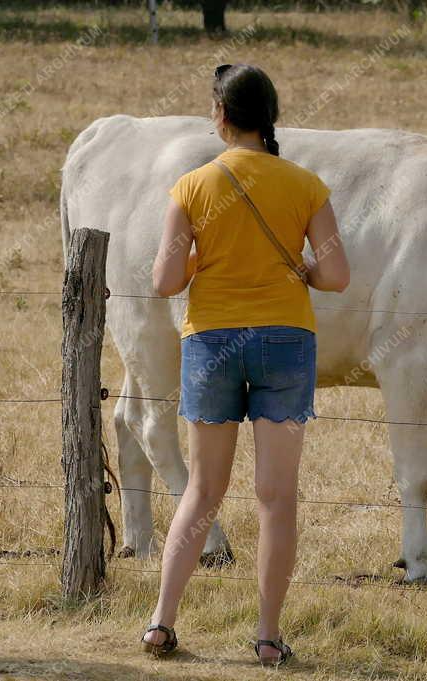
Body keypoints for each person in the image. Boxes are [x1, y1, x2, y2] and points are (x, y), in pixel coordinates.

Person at [142, 63, 350, 667]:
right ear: (271, 117)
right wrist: (301, 272)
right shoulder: (306, 185)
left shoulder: (191, 187)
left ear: (220, 115)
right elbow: (336, 275)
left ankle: (161, 623)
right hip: (286, 339)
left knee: (203, 489)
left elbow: (163, 281)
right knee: (275, 496)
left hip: (212, 341)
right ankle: (266, 636)